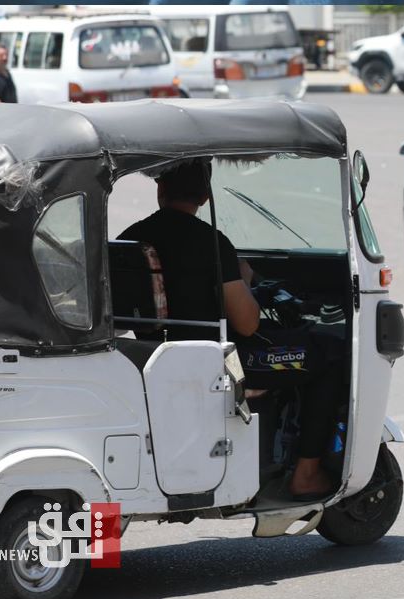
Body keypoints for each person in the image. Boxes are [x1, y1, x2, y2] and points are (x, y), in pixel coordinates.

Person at [119, 159, 342, 500]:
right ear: (206, 197)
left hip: (153, 357)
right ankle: (307, 474)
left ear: (161, 189)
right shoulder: (212, 244)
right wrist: (247, 280)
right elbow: (248, 323)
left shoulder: (130, 238)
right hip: (223, 362)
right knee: (327, 352)